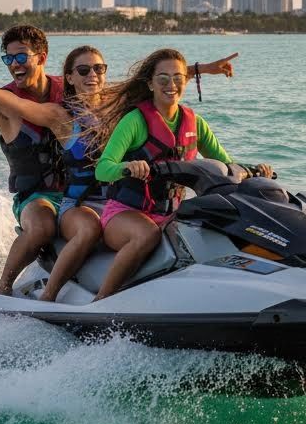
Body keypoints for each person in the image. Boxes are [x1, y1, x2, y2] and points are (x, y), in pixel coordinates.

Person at [0, 26, 238, 295]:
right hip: (38, 194)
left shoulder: (79, 88)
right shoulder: (12, 103)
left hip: (90, 191)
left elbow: (147, 83)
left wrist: (202, 70)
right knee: (43, 226)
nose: (14, 64)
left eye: (21, 56)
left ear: (42, 58)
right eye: (8, 58)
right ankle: (5, 286)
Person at [91, 48, 272, 302]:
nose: (171, 85)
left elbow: (226, 165)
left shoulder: (194, 123)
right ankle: (101, 300)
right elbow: (102, 169)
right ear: (150, 84)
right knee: (147, 234)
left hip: (171, 215)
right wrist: (128, 167)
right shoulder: (135, 121)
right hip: (124, 214)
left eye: (178, 78)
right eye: (163, 78)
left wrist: (253, 171)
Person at [0, 44, 108, 302]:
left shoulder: (116, 106)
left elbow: (152, 84)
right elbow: (18, 104)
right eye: (83, 70)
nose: (92, 75)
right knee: (48, 228)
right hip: (59, 199)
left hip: (104, 199)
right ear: (70, 77)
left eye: (99, 69)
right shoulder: (60, 115)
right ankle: (13, 288)